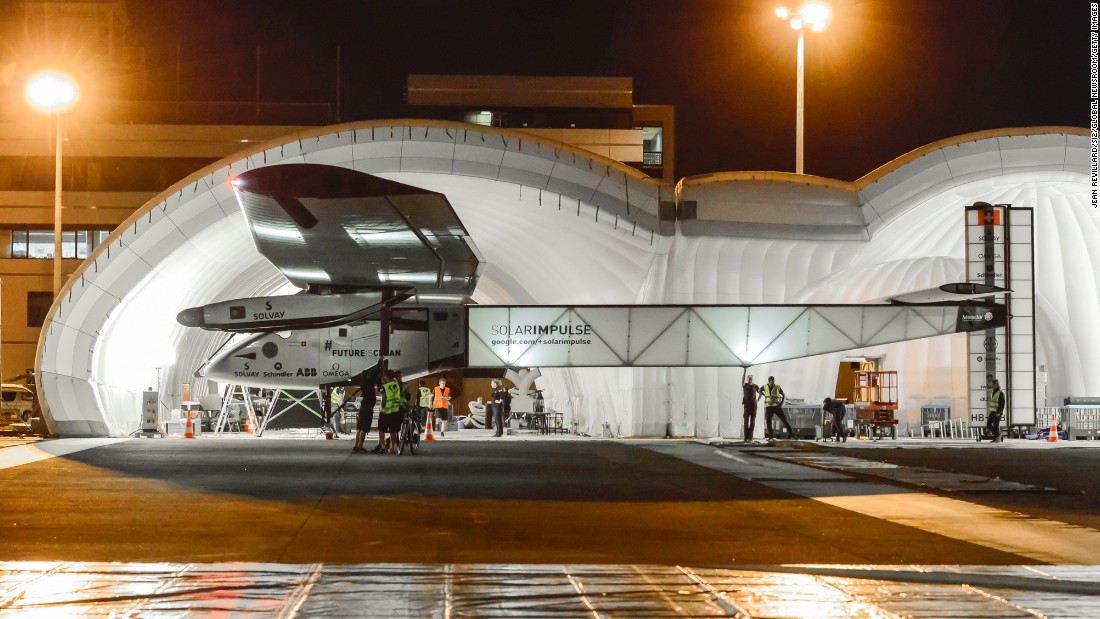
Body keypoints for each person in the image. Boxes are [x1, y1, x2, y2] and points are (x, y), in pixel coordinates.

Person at [352, 362, 383, 453]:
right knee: (364, 429)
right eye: (369, 374)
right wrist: (380, 362)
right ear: (367, 376)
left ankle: (356, 445)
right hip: (368, 408)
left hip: (363, 407)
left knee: (359, 428)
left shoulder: (363, 383)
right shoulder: (369, 383)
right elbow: (375, 372)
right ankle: (359, 446)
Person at [762, 376, 797, 440]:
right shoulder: (765, 386)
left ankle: (792, 435)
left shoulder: (777, 387)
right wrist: (763, 394)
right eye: (771, 381)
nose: (773, 383)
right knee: (768, 421)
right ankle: (771, 437)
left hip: (776, 406)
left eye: (774, 381)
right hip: (769, 407)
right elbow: (759, 390)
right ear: (769, 381)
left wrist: (781, 404)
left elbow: (783, 395)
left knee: (784, 420)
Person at [376, 369, 402, 454]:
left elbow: (384, 398)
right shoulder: (397, 385)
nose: (383, 377)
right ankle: (392, 448)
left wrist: (382, 407)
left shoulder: (385, 387)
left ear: (387, 377)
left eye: (384, 376)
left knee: (381, 430)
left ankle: (383, 447)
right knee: (393, 431)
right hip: (395, 411)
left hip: (385, 412)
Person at [987, 378, 1006, 442]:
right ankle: (998, 434)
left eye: (994, 384)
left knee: (996, 425)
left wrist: (999, 412)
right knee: (989, 424)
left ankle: (997, 437)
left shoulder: (1000, 393)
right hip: (992, 411)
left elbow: (1002, 404)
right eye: (992, 384)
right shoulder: (994, 392)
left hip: (997, 412)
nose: (992, 385)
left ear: (997, 384)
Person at [742, 374, 760, 443]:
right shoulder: (745, 385)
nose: (750, 380)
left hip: (753, 406)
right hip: (747, 406)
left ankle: (750, 437)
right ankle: (746, 437)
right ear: (747, 379)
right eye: (749, 379)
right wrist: (745, 371)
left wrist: (758, 399)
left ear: (752, 379)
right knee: (746, 422)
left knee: (752, 422)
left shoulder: (755, 386)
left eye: (751, 379)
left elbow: (760, 392)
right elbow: (742, 380)